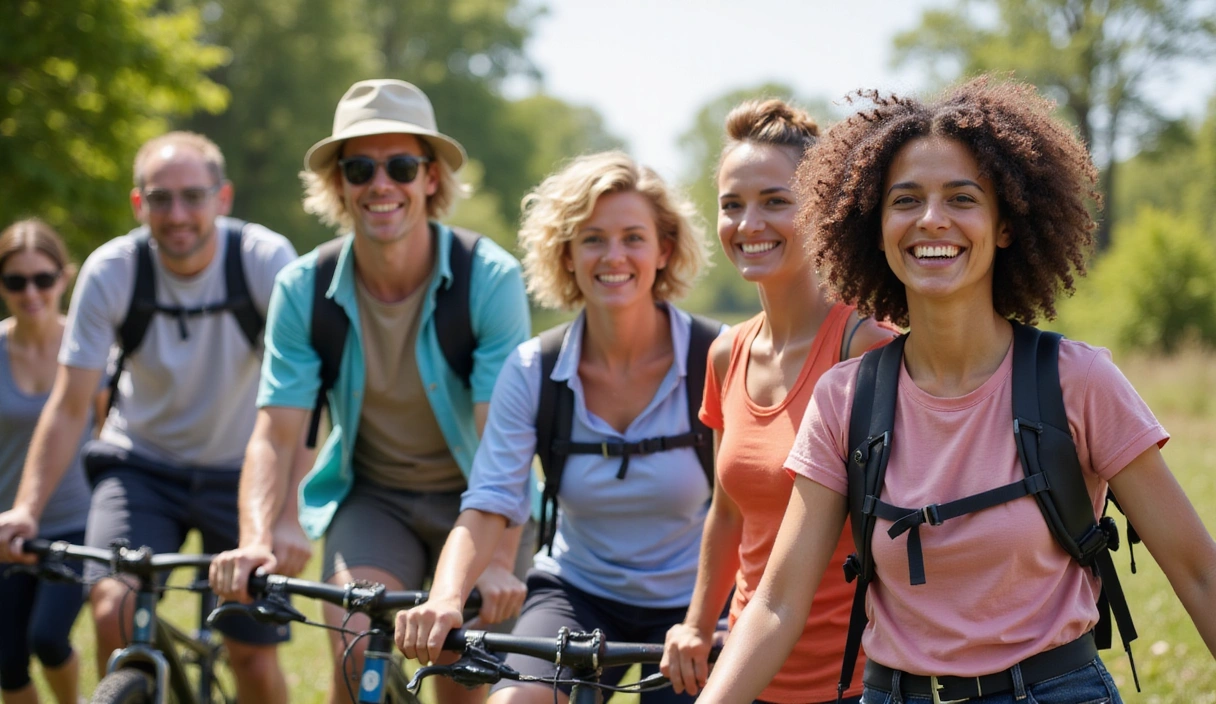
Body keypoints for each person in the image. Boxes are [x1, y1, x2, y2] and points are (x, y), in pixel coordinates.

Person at [695, 76, 1216, 704]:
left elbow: (1199, 573)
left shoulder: (1078, 380)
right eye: (906, 200)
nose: (932, 219)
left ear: (1004, 224)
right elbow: (776, 604)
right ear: (875, 226)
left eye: (962, 198)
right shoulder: (843, 399)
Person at [206, 78, 534, 704]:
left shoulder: (488, 278)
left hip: (480, 501)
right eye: (360, 168)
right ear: (339, 183)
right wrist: (255, 538)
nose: (380, 184)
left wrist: (497, 561)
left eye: (401, 166)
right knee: (358, 653)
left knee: (457, 678)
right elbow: (275, 434)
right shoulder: (303, 286)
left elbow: (504, 443)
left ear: (430, 178)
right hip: (375, 496)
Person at [396, 150, 718, 704]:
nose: (613, 256)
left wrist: (714, 617)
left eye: (633, 238)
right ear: (566, 254)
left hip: (700, 601)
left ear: (664, 249)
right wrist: (446, 596)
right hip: (578, 593)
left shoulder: (719, 356)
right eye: (592, 239)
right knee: (513, 702)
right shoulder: (534, 368)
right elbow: (491, 499)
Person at [0, 132, 298, 703]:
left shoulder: (264, 261)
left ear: (223, 198)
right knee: (112, 610)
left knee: (253, 657)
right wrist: (26, 509)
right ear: (139, 204)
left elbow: (302, 403)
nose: (177, 215)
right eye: (160, 199)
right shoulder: (112, 270)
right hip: (141, 467)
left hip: (243, 471)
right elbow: (69, 403)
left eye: (193, 196)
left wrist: (285, 518)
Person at [659, 100, 894, 704]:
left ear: (820, 208)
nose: (749, 223)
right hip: (749, 670)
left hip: (856, 679)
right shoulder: (725, 353)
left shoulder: (867, 347)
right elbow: (727, 513)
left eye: (774, 201)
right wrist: (696, 624)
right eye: (731, 205)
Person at [0, 219, 98, 704]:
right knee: (8, 663)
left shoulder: (90, 352)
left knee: (48, 638)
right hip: (9, 529)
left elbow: (111, 436)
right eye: (16, 281)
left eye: (43, 278)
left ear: (64, 278)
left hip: (80, 524)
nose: (31, 292)